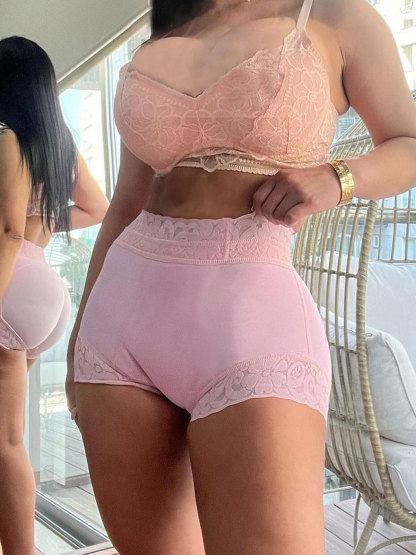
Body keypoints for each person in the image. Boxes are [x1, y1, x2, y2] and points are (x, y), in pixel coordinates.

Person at [67, 0, 416, 553]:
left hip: (253, 326)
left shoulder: (335, 17)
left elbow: (408, 143)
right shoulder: (166, 32)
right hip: (117, 331)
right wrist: (77, 343)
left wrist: (339, 177)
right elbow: (126, 203)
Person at [0, 36, 109, 555]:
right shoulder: (58, 141)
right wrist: (41, 221)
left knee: (6, 442)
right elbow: (96, 207)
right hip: (43, 289)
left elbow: (7, 235)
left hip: (9, 284)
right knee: (8, 438)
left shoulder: (7, 139)